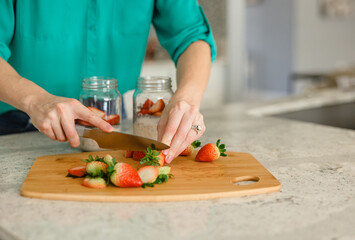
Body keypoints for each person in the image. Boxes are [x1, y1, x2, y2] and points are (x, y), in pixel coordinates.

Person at [0, 0, 216, 163]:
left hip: (112, 130)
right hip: (15, 129)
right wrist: (36, 100)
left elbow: (191, 34)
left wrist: (187, 98)